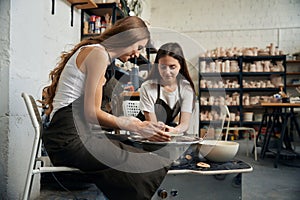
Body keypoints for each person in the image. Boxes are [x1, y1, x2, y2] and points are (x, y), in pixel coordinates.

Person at [41, 16, 173, 200]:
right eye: (138, 47)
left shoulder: (98, 53)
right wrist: (134, 126)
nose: (137, 54)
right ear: (127, 39)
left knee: (132, 147)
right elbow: (91, 112)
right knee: (147, 162)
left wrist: (134, 125)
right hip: (68, 141)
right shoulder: (98, 54)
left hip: (72, 136)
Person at [138, 42, 196, 134]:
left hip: (168, 130)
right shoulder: (148, 87)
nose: (167, 72)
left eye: (172, 67)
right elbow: (152, 124)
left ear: (180, 66)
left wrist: (175, 130)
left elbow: (184, 124)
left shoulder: (186, 88)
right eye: (163, 67)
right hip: (147, 132)